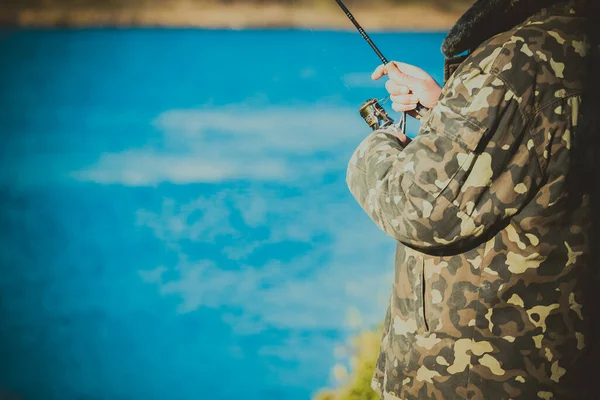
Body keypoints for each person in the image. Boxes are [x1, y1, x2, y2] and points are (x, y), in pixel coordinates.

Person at [345, 0, 599, 399]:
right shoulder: (575, 38)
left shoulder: (518, 58)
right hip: (556, 364)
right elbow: (532, 152)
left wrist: (381, 143)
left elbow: (416, 207)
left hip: (477, 379)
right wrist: (445, 109)